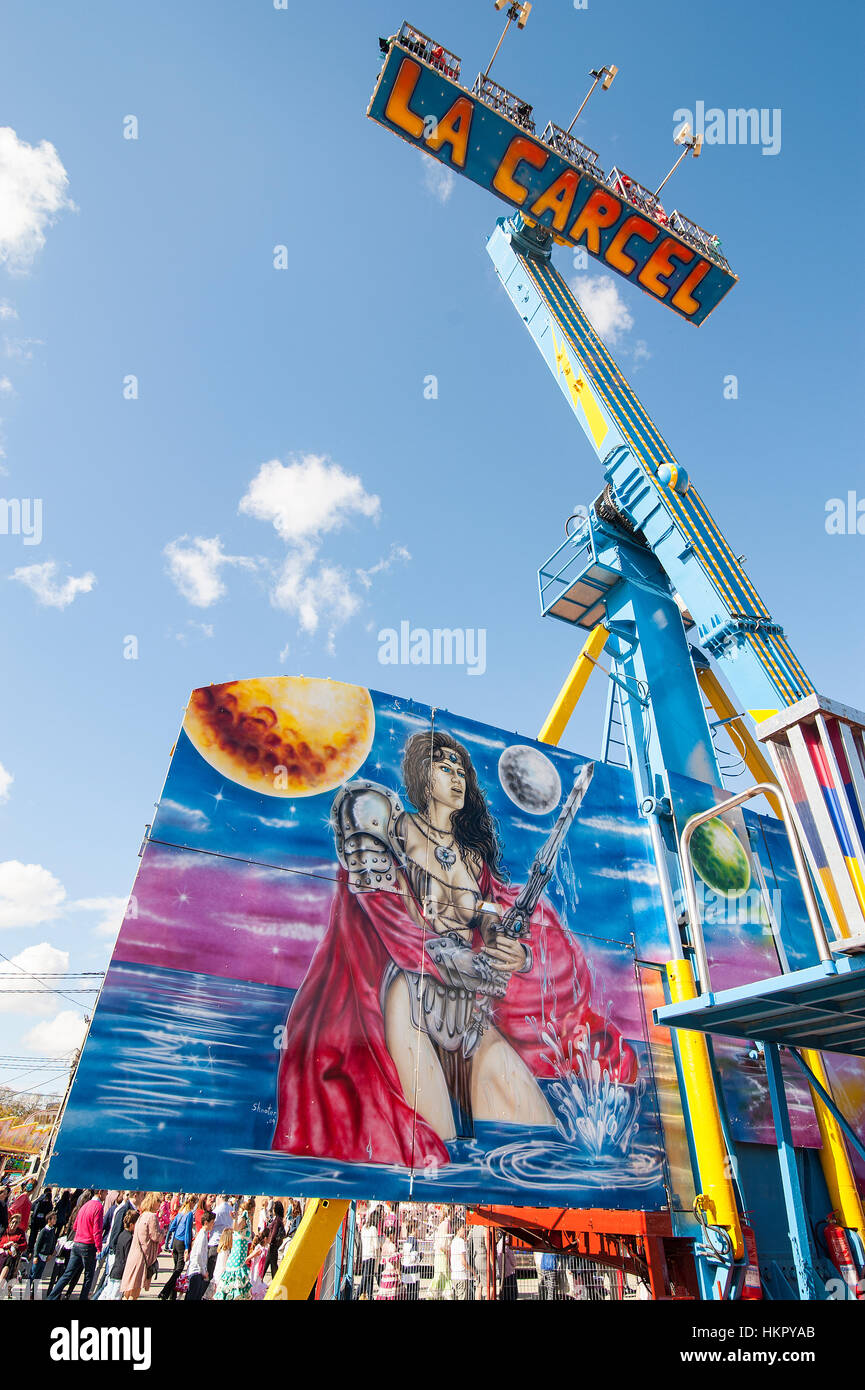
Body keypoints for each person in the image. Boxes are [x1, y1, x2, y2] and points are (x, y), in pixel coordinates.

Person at [271, 732, 636, 1167]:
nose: (457, 776)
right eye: (445, 767)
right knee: (433, 1151)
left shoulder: (474, 862)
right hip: (411, 996)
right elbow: (375, 898)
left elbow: (493, 924)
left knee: (539, 1141)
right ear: (421, 777)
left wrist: (515, 955)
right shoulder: (396, 829)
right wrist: (445, 956)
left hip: (468, 1008)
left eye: (461, 769)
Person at [46, 1188, 105, 1301]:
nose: (106, 1195)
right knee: (88, 1276)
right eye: (106, 1193)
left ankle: (51, 1297)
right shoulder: (98, 1207)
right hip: (88, 1244)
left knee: (67, 1274)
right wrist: (99, 1247)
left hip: (77, 1242)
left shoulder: (84, 1206)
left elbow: (75, 1226)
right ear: (100, 1192)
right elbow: (97, 1230)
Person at [120, 1193, 161, 1301]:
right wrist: (162, 1232)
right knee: (135, 1292)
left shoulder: (142, 1215)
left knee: (128, 1292)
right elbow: (155, 1236)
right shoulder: (152, 1216)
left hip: (134, 1255)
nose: (160, 1203)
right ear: (153, 1202)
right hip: (142, 1259)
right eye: (158, 1201)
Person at [213, 1197, 254, 1301]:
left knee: (237, 1286)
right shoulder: (244, 1220)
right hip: (236, 1259)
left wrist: (235, 1219)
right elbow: (235, 1228)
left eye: (240, 1212)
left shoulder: (244, 1219)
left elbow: (236, 1228)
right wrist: (235, 1219)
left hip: (238, 1259)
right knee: (234, 1285)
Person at [159, 1196, 195, 1301]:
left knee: (176, 1269)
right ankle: (165, 1291)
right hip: (182, 1243)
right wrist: (188, 1247)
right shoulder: (189, 1214)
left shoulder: (180, 1213)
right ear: (192, 1203)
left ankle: (172, 1295)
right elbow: (188, 1231)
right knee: (179, 1269)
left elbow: (172, 1227)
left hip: (175, 1241)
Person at [98, 1210, 139, 1301]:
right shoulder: (130, 1238)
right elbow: (128, 1257)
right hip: (121, 1272)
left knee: (108, 1293)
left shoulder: (121, 1234)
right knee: (115, 1296)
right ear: (132, 1224)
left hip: (115, 1269)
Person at [186, 1209, 215, 1300]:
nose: (213, 1225)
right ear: (206, 1222)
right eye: (212, 1222)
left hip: (197, 1270)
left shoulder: (204, 1234)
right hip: (196, 1271)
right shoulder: (202, 1235)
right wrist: (203, 1270)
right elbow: (199, 1254)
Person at [30, 1211, 58, 1293]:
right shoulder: (44, 1231)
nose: (55, 1220)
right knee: (33, 1274)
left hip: (45, 1257)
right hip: (39, 1256)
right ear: (49, 1220)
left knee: (38, 1275)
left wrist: (50, 1254)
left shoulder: (52, 1230)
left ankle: (34, 1291)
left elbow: (53, 1243)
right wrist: (35, 1256)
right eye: (54, 1219)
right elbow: (37, 1244)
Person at [0, 1213, 28, 1294]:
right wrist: (5, 1245)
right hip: (2, 1253)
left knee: (9, 1262)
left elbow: (24, 1245)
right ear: (10, 1222)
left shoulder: (20, 1233)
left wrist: (17, 1245)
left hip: (12, 1257)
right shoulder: (4, 1230)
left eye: (16, 1222)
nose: (14, 1224)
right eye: (13, 1222)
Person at [426, 1215, 452, 1300]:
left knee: (440, 1275)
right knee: (443, 1275)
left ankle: (437, 1295)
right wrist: (447, 1252)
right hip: (442, 1254)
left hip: (440, 1254)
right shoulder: (446, 1223)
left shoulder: (442, 1224)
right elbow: (443, 1244)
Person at [208, 1195, 234, 1279]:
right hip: (226, 1242)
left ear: (219, 1197)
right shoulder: (231, 1209)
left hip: (215, 1241)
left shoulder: (217, 1210)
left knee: (211, 1269)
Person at [261, 1200, 285, 1282]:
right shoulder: (278, 1219)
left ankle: (261, 1281)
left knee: (269, 1264)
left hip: (272, 1245)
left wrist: (269, 1242)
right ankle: (275, 1281)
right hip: (273, 1246)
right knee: (271, 1264)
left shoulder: (277, 1220)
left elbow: (274, 1233)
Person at [358, 1210, 379, 1300]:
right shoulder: (373, 1229)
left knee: (369, 1278)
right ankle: (356, 1295)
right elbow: (376, 1245)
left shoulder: (364, 1228)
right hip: (371, 1256)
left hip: (364, 1255)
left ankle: (370, 1297)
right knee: (366, 1278)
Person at [28, 1186, 53, 1257]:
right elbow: (49, 1211)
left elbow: (32, 1207)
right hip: (42, 1221)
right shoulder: (49, 1202)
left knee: (33, 1234)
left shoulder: (39, 1199)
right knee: (40, 1236)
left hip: (35, 1220)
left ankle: (30, 1248)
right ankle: (37, 1249)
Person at [208, 1228, 233, 1299]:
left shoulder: (224, 1250)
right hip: (221, 1278)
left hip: (219, 1277)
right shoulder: (225, 1251)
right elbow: (222, 1266)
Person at [399, 1221, 421, 1300]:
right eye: (418, 1229)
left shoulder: (406, 1241)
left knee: (409, 1293)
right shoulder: (414, 1241)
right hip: (414, 1272)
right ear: (413, 1229)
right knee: (414, 1294)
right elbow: (414, 1258)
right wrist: (420, 1256)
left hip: (406, 1270)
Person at [467, 1222, 489, 1299]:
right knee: (490, 1285)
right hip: (483, 1257)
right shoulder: (484, 1228)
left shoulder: (475, 1228)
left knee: (479, 1284)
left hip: (476, 1257)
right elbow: (488, 1246)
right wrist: (492, 1261)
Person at [375, 1234, 399, 1300]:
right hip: (392, 1271)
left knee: (384, 1290)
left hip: (386, 1270)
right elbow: (394, 1261)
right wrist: (398, 1271)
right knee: (392, 1292)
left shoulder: (384, 1246)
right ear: (391, 1235)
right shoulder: (392, 1246)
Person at [450, 1224, 470, 1300]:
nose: (465, 1230)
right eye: (463, 1228)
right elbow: (463, 1262)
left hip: (454, 1275)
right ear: (458, 1229)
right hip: (461, 1275)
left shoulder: (453, 1241)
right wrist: (472, 1271)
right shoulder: (461, 1242)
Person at [497, 1233, 518, 1301]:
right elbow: (512, 1259)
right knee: (512, 1295)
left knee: (504, 1294)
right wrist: (515, 1264)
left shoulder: (499, 1244)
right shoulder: (507, 1243)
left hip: (502, 1273)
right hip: (510, 1273)